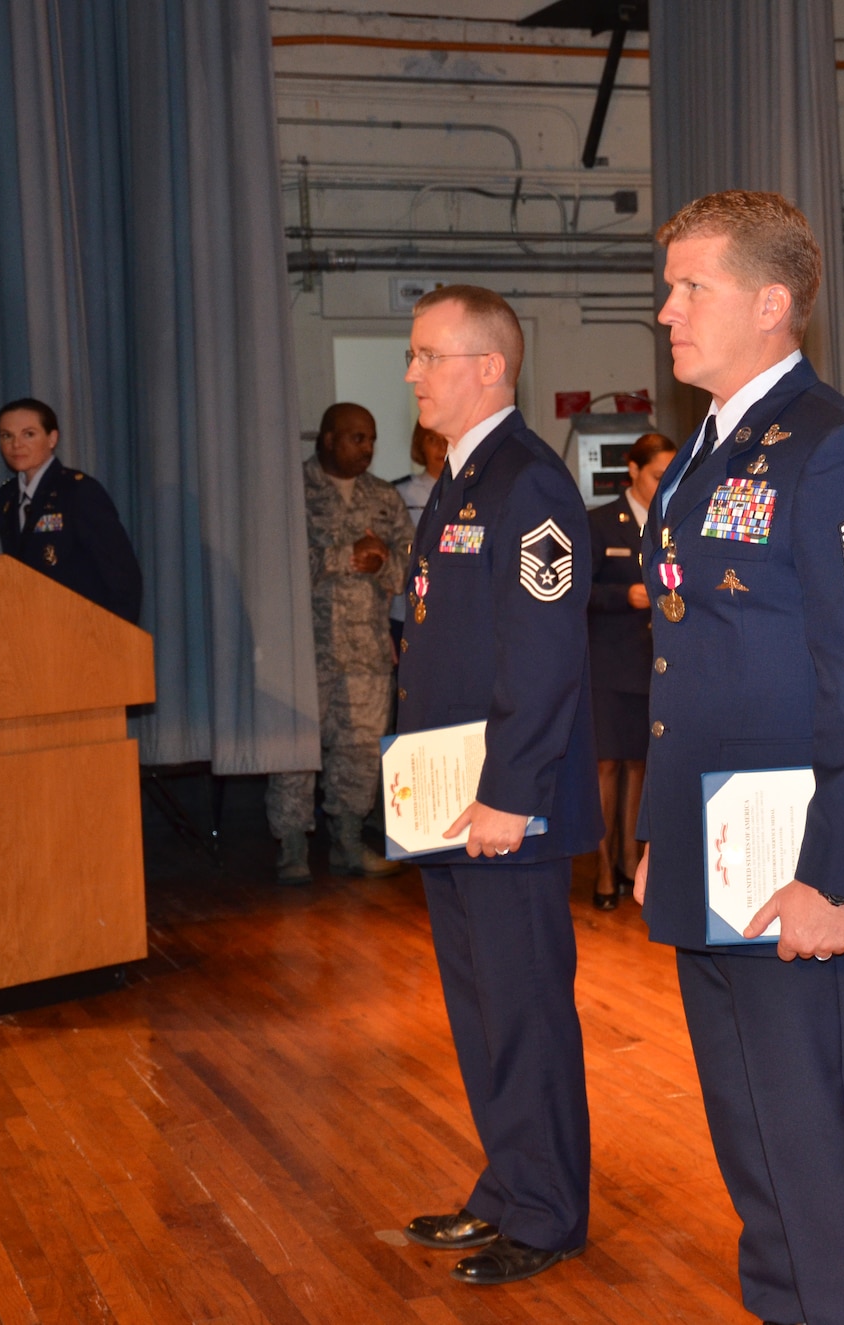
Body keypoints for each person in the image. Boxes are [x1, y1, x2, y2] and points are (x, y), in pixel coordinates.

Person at [633, 191, 844, 1325]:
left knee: (810, 1118)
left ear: (770, 301)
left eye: (689, 287)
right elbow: (689, 665)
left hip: (795, 857)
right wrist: (663, 834)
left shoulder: (835, 449)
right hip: (717, 848)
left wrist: (837, 875)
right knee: (749, 1120)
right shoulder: (716, 444)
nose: (667, 311)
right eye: (668, 287)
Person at [394, 284, 601, 1286]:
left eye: (429, 355)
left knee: (523, 1008)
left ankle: (550, 1209)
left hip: (501, 805)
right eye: (413, 356)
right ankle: (509, 1184)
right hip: (448, 795)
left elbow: (545, 651)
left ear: (489, 367)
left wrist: (510, 793)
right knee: (480, 1010)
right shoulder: (460, 480)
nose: (412, 374)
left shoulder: (526, 484)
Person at [265, 403, 415, 883]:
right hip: (303, 650)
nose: (367, 448)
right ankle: (291, 848)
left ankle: (348, 843)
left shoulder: (383, 497)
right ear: (327, 438)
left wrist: (381, 563)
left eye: (371, 439)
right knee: (296, 750)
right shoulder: (292, 492)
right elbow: (274, 566)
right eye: (356, 438)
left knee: (361, 751)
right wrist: (342, 557)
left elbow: (411, 569)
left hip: (367, 651)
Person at [585, 431, 677, 909]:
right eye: (658, 476)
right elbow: (574, 591)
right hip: (606, 661)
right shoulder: (600, 522)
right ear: (634, 472)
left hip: (655, 662)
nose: (664, 485)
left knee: (642, 765)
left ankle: (629, 858)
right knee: (606, 766)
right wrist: (625, 596)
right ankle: (602, 868)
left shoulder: (677, 520)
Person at [0, 398, 142, 623]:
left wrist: (117, 640)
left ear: (52, 438)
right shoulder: (7, 497)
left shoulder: (78, 491)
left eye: (29, 434)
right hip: (32, 629)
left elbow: (122, 576)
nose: (16, 445)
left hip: (82, 629)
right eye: (7, 436)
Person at [390, 424, 448, 651]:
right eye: (433, 440)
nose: (442, 448)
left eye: (446, 439)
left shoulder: (476, 493)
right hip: (408, 613)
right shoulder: (400, 494)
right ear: (420, 445)